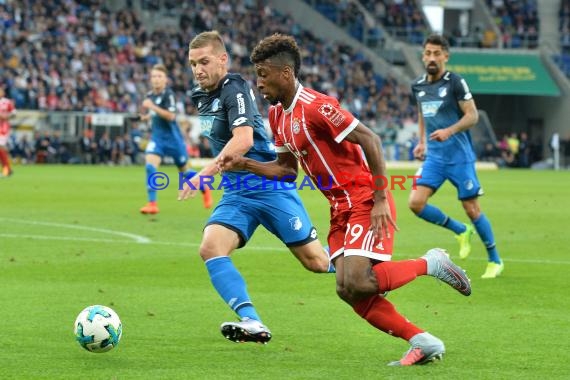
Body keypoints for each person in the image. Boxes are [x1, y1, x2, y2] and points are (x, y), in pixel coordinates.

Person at [217, 33, 472, 366]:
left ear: (286, 73)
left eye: (264, 74)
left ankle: (431, 263)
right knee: (347, 289)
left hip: (364, 197)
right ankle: (422, 341)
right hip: (339, 207)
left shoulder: (317, 106)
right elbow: (285, 171)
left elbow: (371, 139)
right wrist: (246, 163)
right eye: (257, 75)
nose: (259, 83)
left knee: (357, 280)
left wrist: (381, 197)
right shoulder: (278, 117)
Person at [179, 31, 335, 345]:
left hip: (268, 186)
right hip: (237, 192)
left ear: (222, 59)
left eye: (204, 61)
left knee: (317, 262)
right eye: (193, 63)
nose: (198, 69)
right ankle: (251, 320)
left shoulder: (234, 87)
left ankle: (375, 265)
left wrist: (205, 173)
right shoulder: (200, 95)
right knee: (210, 248)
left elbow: (244, 139)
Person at [408, 34, 504, 279]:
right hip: (435, 159)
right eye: (428, 53)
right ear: (423, 55)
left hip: (460, 157)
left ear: (446, 56)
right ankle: (460, 230)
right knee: (416, 203)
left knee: (472, 208)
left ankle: (495, 259)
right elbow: (422, 114)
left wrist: (449, 131)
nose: (431, 58)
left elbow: (473, 116)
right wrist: (421, 141)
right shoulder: (418, 85)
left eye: (437, 53)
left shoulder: (455, 82)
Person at [140, 63, 212, 214]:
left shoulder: (168, 95)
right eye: (153, 76)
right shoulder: (150, 96)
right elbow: (156, 115)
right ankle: (152, 204)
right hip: (158, 139)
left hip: (173, 140)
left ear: (165, 79)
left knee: (185, 172)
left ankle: (203, 186)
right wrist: (147, 117)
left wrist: (152, 107)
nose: (156, 79)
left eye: (159, 76)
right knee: (149, 166)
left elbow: (171, 116)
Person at [0, 87, 16, 177]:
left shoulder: (7, 102)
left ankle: (7, 169)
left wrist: (6, 117)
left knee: (1, 147)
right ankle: (8, 169)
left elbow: (14, 113)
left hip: (3, 128)